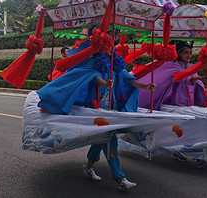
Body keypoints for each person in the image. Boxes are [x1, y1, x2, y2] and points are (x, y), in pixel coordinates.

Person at [37, 43, 155, 191]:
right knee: (110, 139)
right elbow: (94, 77)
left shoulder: (116, 63)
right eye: (107, 45)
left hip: (111, 109)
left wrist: (145, 87)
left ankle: (88, 167)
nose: (111, 49)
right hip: (96, 109)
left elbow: (128, 79)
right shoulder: (94, 61)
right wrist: (105, 84)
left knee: (101, 139)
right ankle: (120, 178)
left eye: (113, 45)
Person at [138, 40, 207, 168]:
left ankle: (199, 156)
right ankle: (186, 153)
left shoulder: (192, 67)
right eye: (185, 52)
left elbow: (194, 81)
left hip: (191, 104)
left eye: (190, 52)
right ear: (178, 53)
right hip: (176, 104)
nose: (188, 55)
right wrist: (197, 78)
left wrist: (200, 83)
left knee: (195, 129)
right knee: (179, 130)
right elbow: (182, 78)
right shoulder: (172, 66)